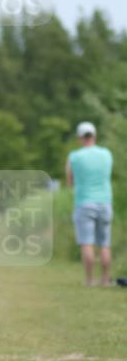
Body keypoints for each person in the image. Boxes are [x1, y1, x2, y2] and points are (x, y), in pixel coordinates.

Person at [66, 122, 113, 287]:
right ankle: (106, 280)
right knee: (104, 244)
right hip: (105, 202)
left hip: (84, 203)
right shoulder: (106, 154)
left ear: (80, 138)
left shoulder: (74, 157)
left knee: (87, 243)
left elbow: (69, 182)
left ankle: (89, 280)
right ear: (94, 136)